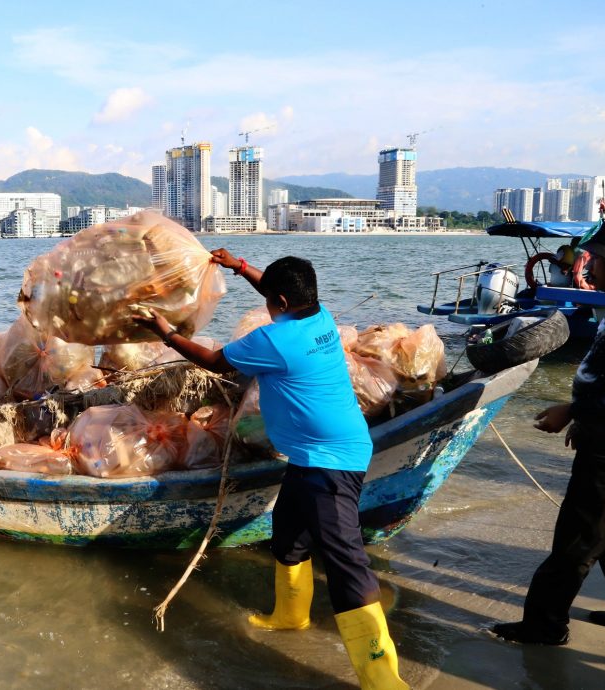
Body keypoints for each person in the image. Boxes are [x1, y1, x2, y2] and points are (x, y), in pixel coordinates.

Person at [133, 250, 408, 690]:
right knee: (288, 534)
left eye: (270, 298)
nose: (267, 302)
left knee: (347, 564)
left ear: (280, 302)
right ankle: (290, 616)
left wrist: (165, 332)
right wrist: (240, 267)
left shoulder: (274, 341)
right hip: (315, 455)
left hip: (330, 464)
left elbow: (214, 361)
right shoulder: (320, 317)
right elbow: (275, 289)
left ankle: (382, 677)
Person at [493, 218, 605, 645]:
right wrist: (585, 419)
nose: (588, 267)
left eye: (596, 259)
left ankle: (544, 626)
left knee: (577, 539)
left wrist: (572, 411)